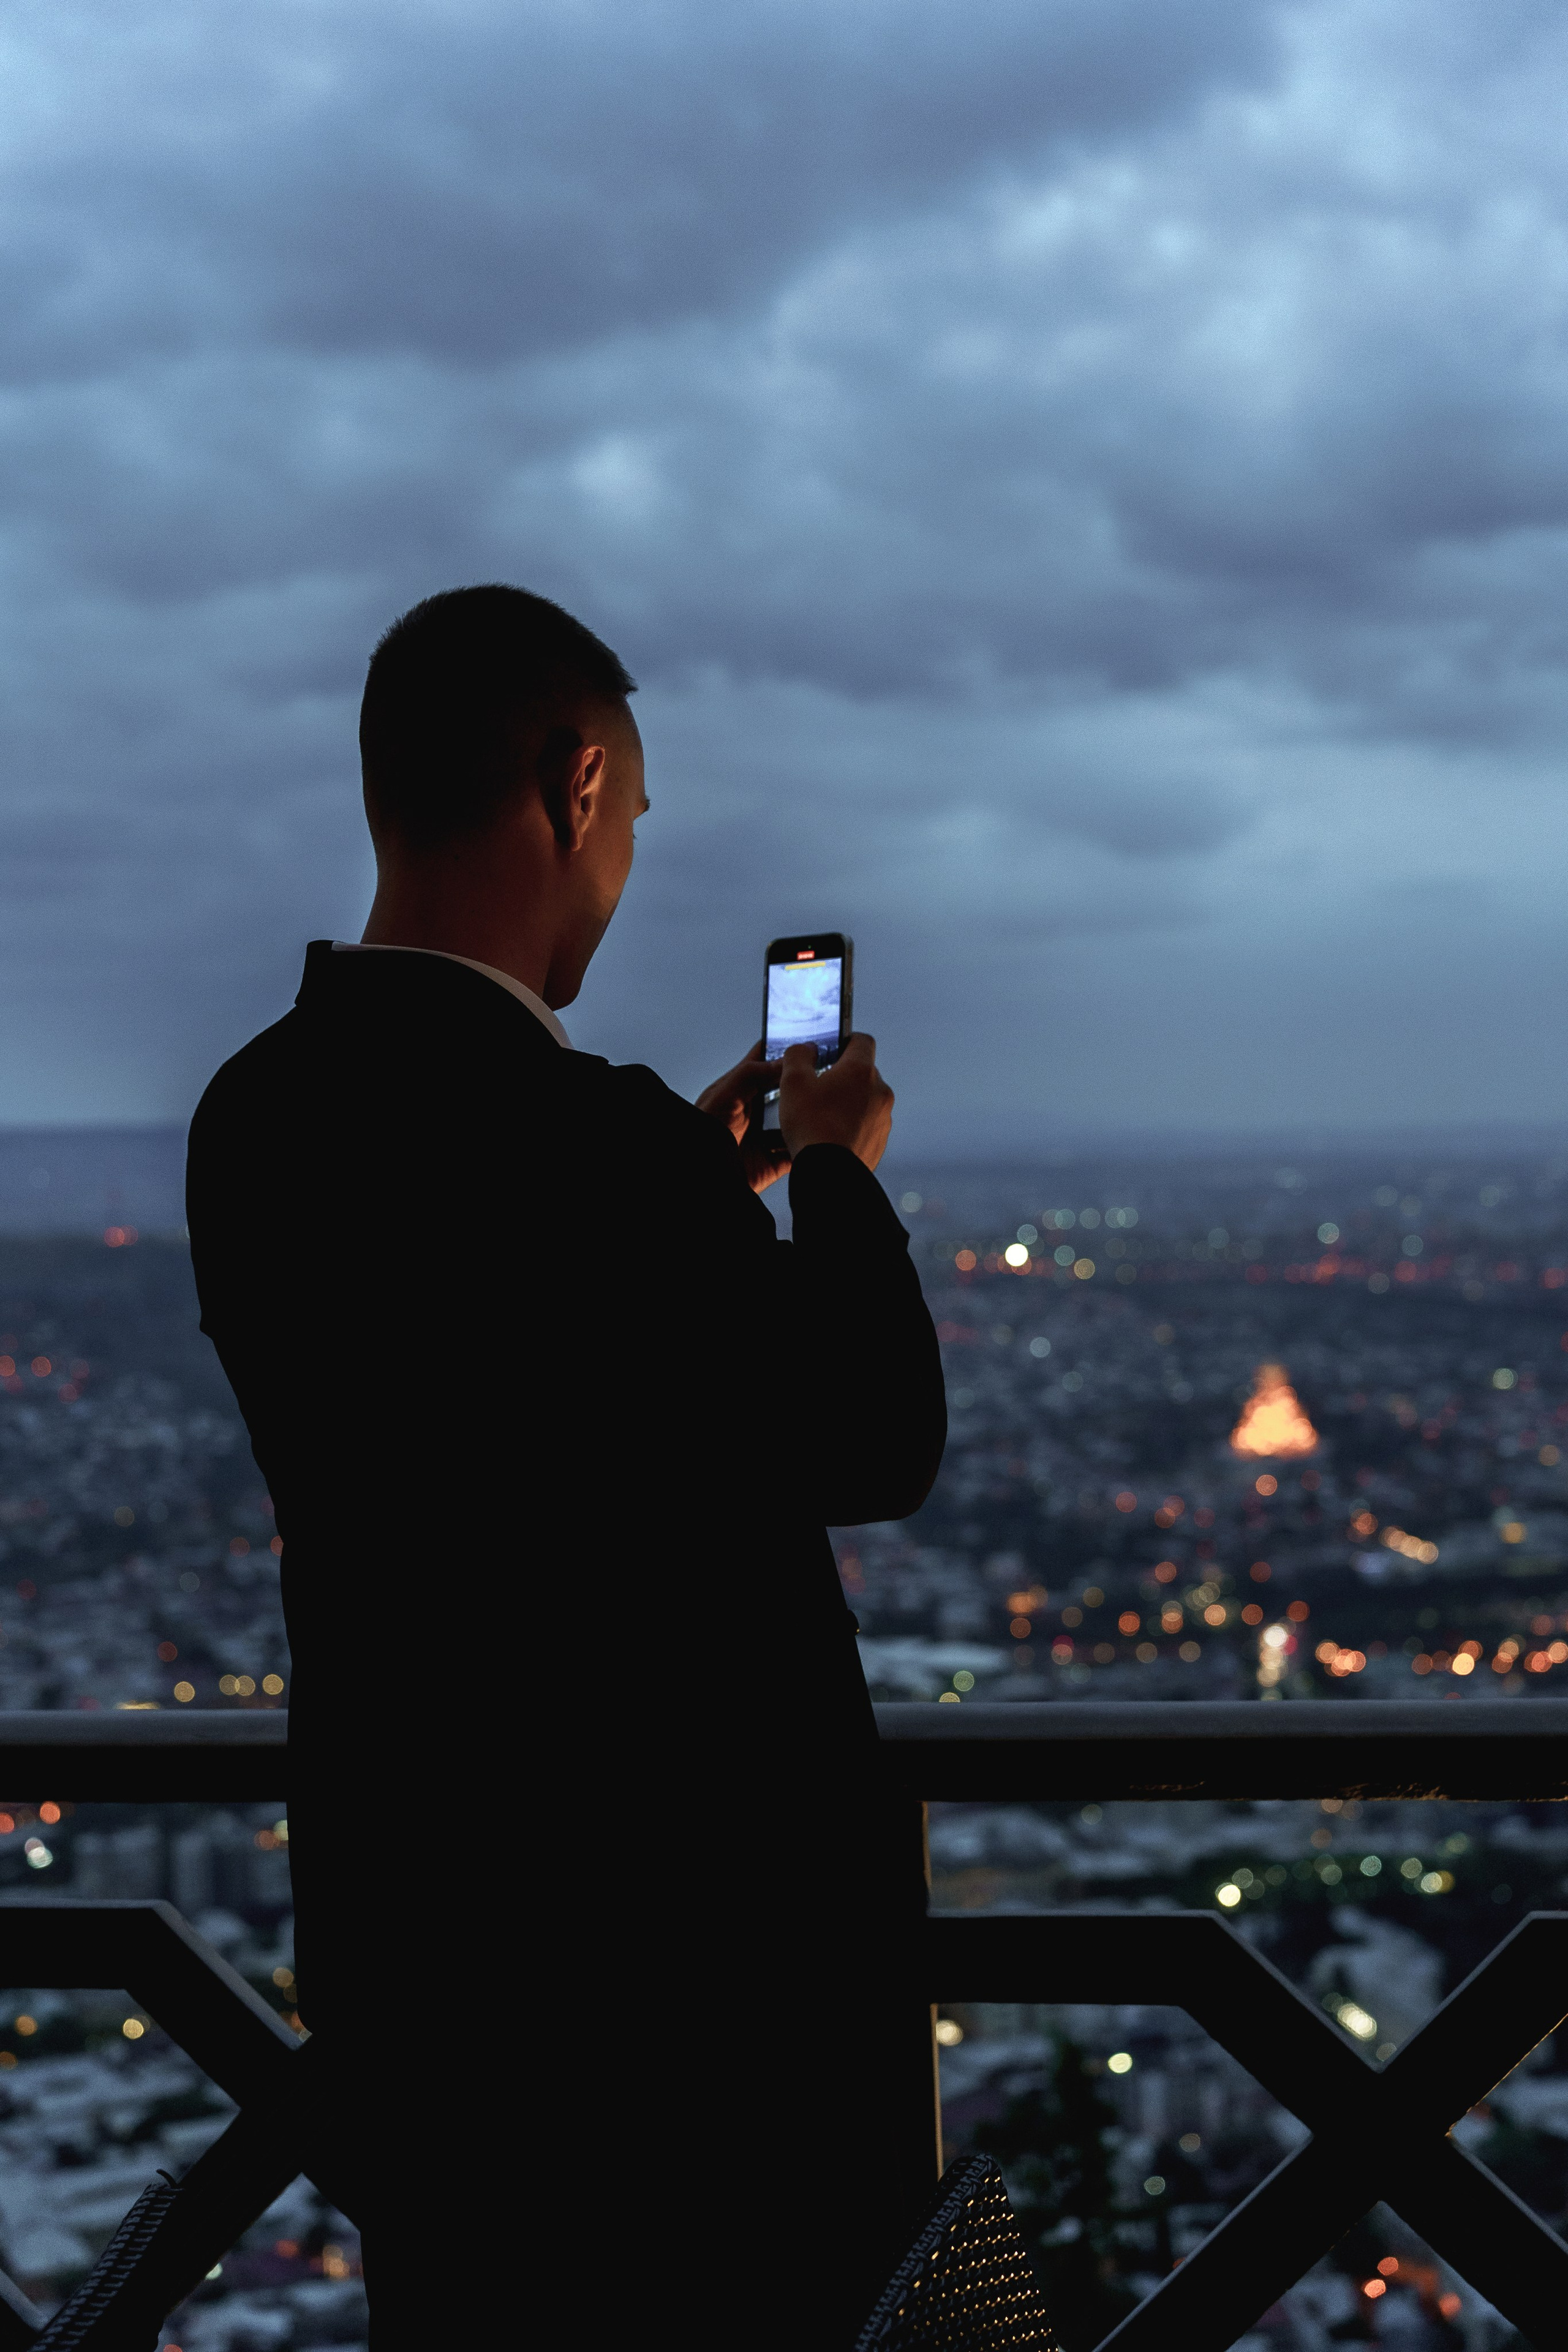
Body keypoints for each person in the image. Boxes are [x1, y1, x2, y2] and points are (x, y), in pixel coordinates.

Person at [185, 584, 946, 2346]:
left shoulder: (258, 1117)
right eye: (634, 825)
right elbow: (871, 1436)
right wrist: (830, 1172)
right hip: (685, 2030)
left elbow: (493, 1408)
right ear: (580, 786)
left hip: (425, 2000)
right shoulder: (588, 1151)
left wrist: (681, 1188)